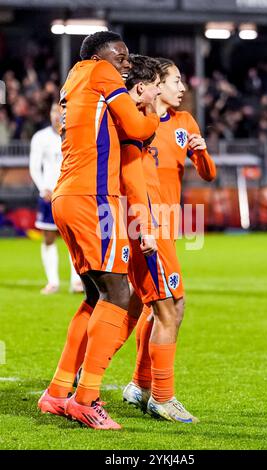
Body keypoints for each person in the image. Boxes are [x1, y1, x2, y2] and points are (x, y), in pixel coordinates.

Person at [37, 31, 159, 430]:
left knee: (95, 295)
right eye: (119, 56)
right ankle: (86, 398)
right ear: (99, 56)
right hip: (93, 196)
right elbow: (138, 128)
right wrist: (152, 108)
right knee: (119, 293)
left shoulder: (75, 77)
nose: (125, 63)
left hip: (68, 194)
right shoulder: (101, 74)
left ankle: (57, 392)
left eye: (126, 58)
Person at [122, 58, 216, 420]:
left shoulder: (184, 124)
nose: (182, 88)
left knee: (151, 306)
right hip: (145, 227)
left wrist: (202, 150)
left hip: (168, 227)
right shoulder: (137, 124)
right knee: (171, 307)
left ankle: (138, 385)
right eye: (176, 80)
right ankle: (161, 395)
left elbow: (208, 174)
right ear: (157, 84)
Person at [29, 103, 83, 294]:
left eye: (61, 111)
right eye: (54, 111)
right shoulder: (40, 138)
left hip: (71, 195)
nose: (57, 115)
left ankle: (76, 281)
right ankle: (53, 282)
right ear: (50, 114)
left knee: (74, 239)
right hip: (49, 194)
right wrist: (43, 188)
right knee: (49, 237)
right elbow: (34, 166)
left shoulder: (76, 134)